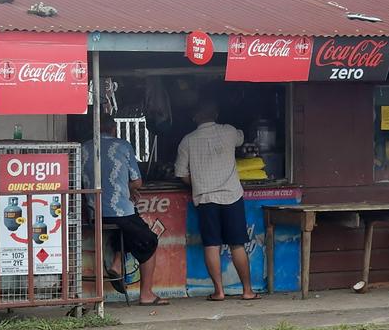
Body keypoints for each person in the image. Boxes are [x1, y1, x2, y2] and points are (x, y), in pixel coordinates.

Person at [174, 99, 260, 301]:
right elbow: (241, 138)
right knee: (237, 244)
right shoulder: (229, 131)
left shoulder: (187, 140)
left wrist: (199, 182)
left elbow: (181, 174)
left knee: (211, 244)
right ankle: (247, 291)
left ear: (195, 117)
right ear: (217, 114)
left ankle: (219, 292)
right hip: (231, 195)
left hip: (206, 197)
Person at [82, 113, 169, 306]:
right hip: (120, 212)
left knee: (126, 232)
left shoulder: (84, 148)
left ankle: (116, 263)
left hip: (95, 215)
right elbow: (137, 181)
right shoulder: (122, 146)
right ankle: (146, 294)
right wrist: (126, 189)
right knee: (149, 239)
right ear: (113, 129)